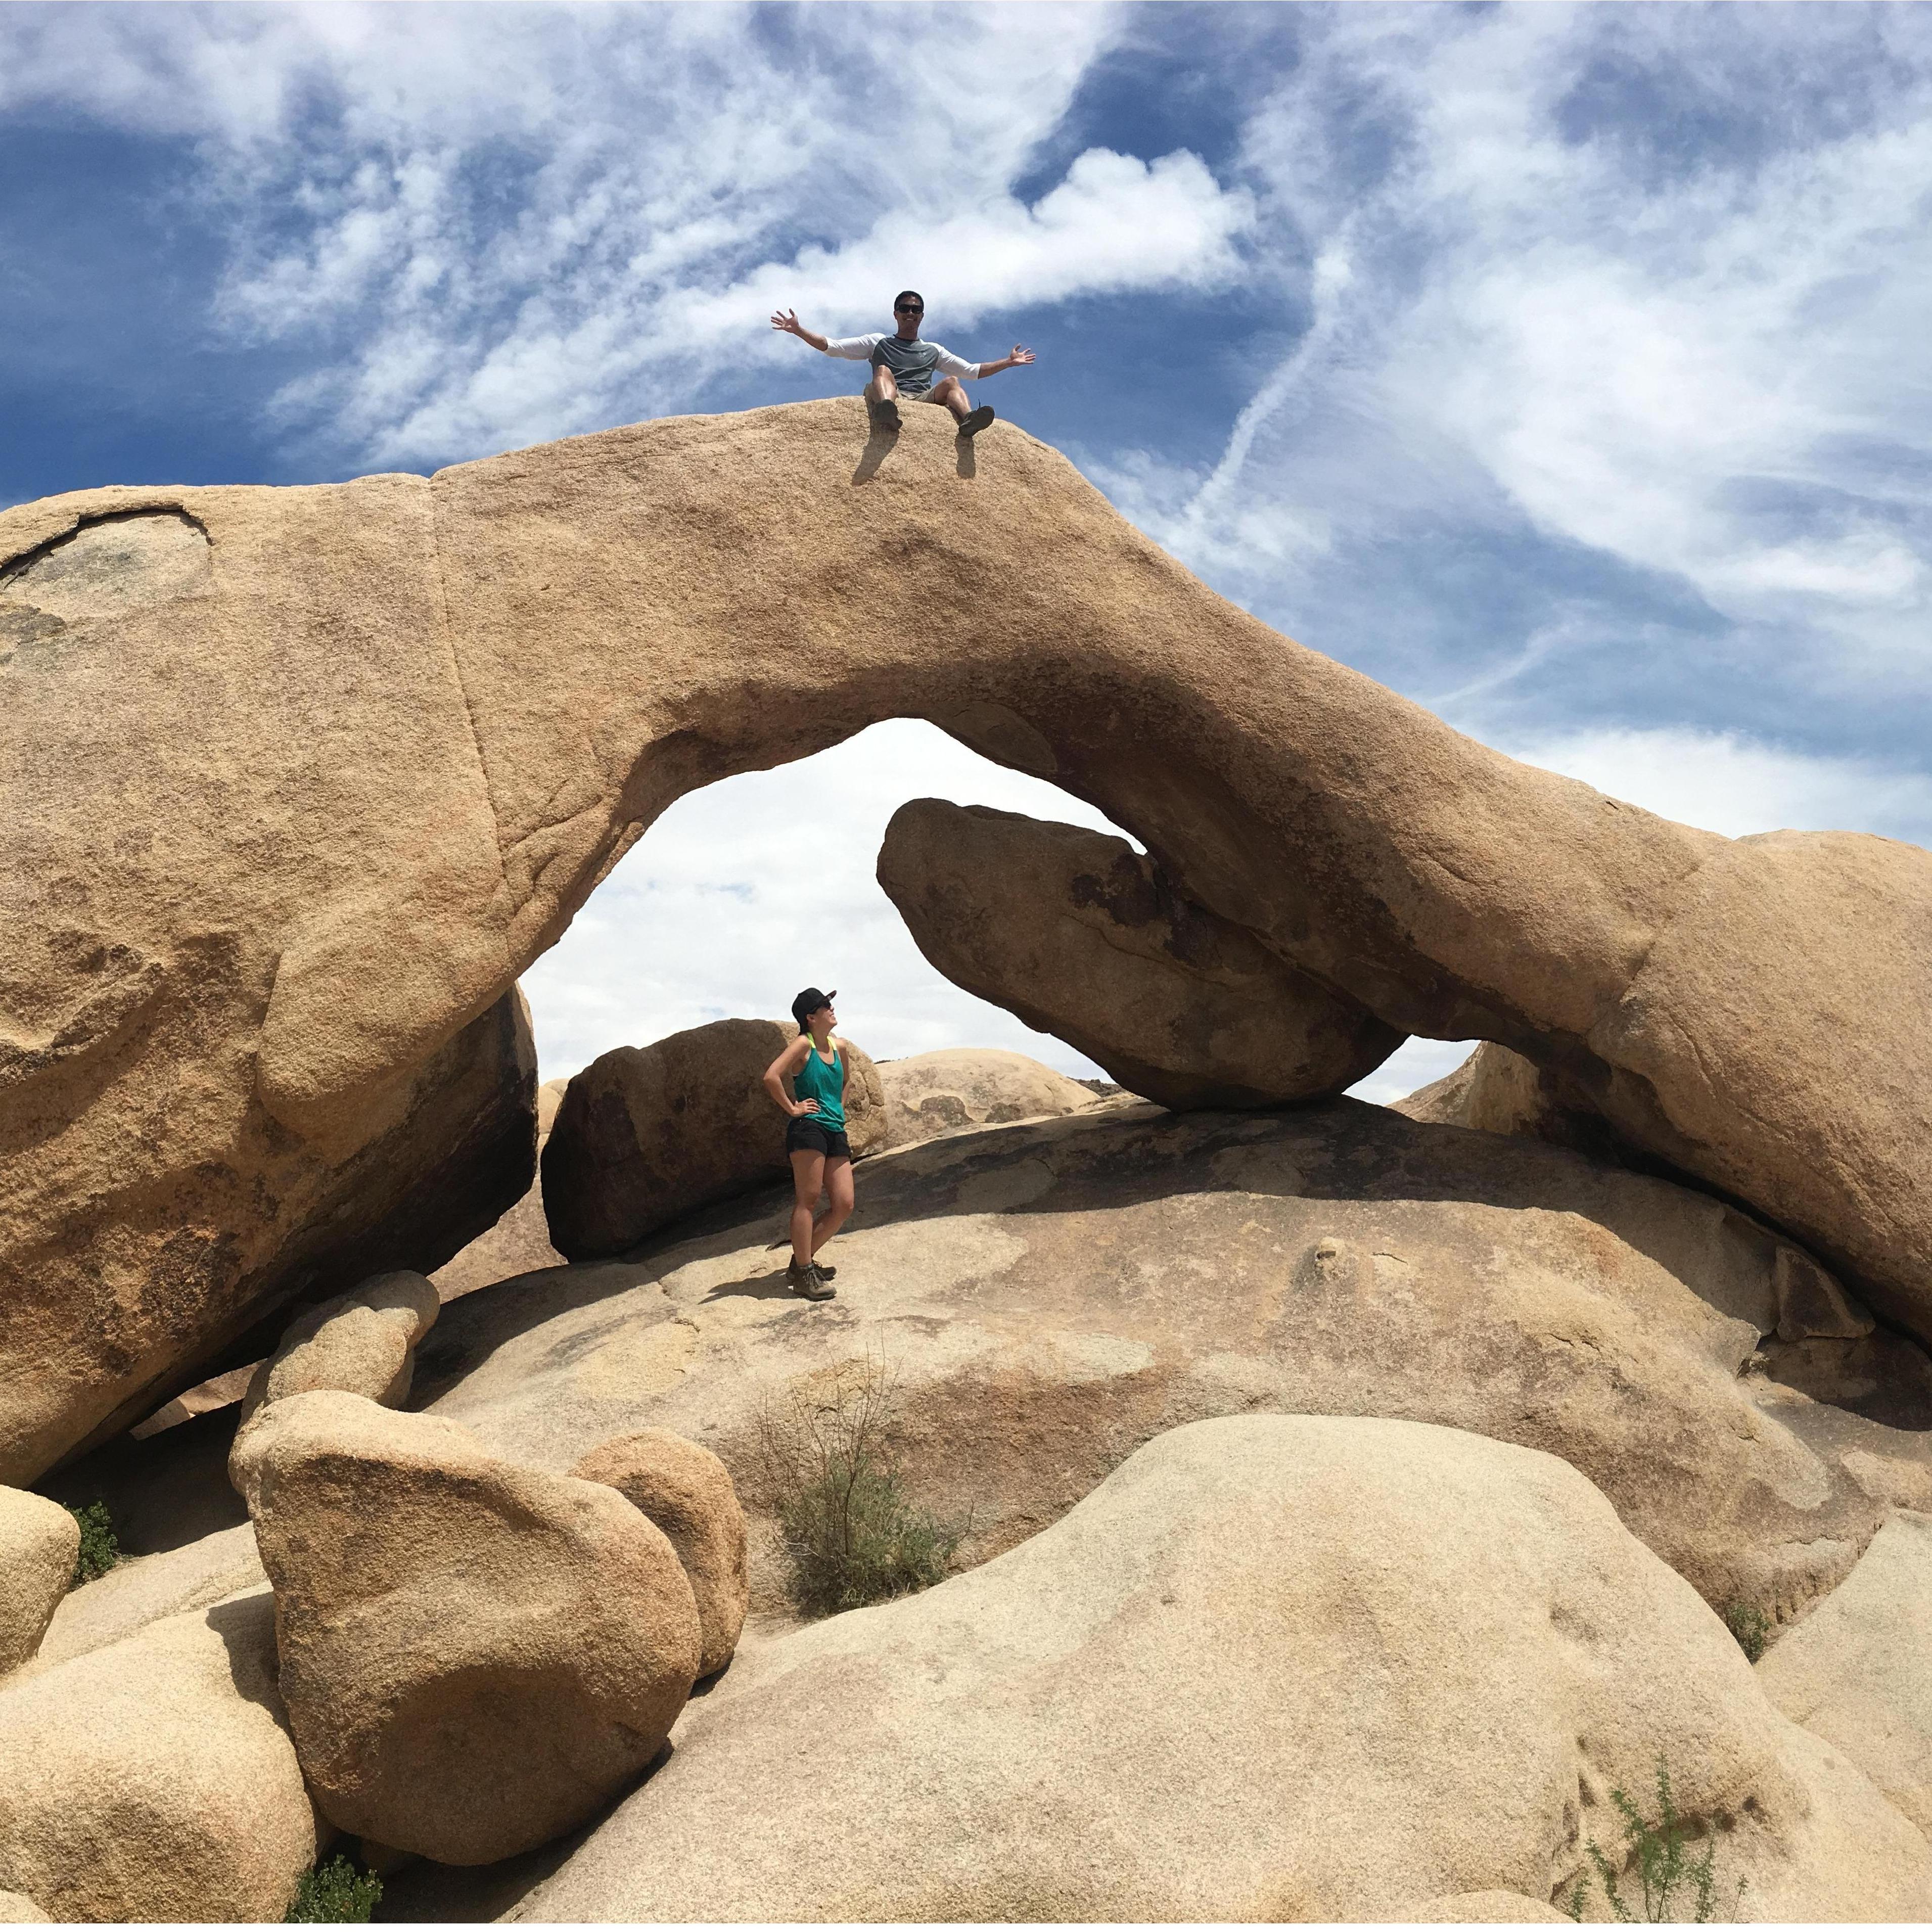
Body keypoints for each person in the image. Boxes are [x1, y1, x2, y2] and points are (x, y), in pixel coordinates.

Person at [770, 290, 1035, 436]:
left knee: (952, 381)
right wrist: (799, 330)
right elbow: (833, 347)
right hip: (887, 391)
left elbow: (971, 372)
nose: (910, 313)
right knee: (883, 370)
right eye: (905, 309)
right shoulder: (878, 342)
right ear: (896, 314)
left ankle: (968, 421)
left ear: (921, 316)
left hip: (921, 397)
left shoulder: (933, 350)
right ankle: (886, 409)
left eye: (915, 309)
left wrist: (1009, 362)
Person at [762, 987, 854, 1301]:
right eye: (824, 1006)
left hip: (834, 1130)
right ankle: (804, 1273)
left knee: (844, 1203)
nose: (831, 1009)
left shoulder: (839, 1047)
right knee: (809, 1199)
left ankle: (801, 1262)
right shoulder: (804, 1044)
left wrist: (838, 1110)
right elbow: (771, 1076)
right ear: (810, 1018)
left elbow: (846, 1082)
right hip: (808, 1129)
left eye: (830, 1004)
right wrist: (793, 1108)